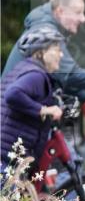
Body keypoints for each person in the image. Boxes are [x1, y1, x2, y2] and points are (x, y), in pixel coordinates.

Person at [1, 27, 65, 173]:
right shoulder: (36, 75)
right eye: (56, 49)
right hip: (6, 159)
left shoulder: (22, 68)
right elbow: (13, 94)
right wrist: (44, 110)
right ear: (41, 52)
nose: (61, 55)